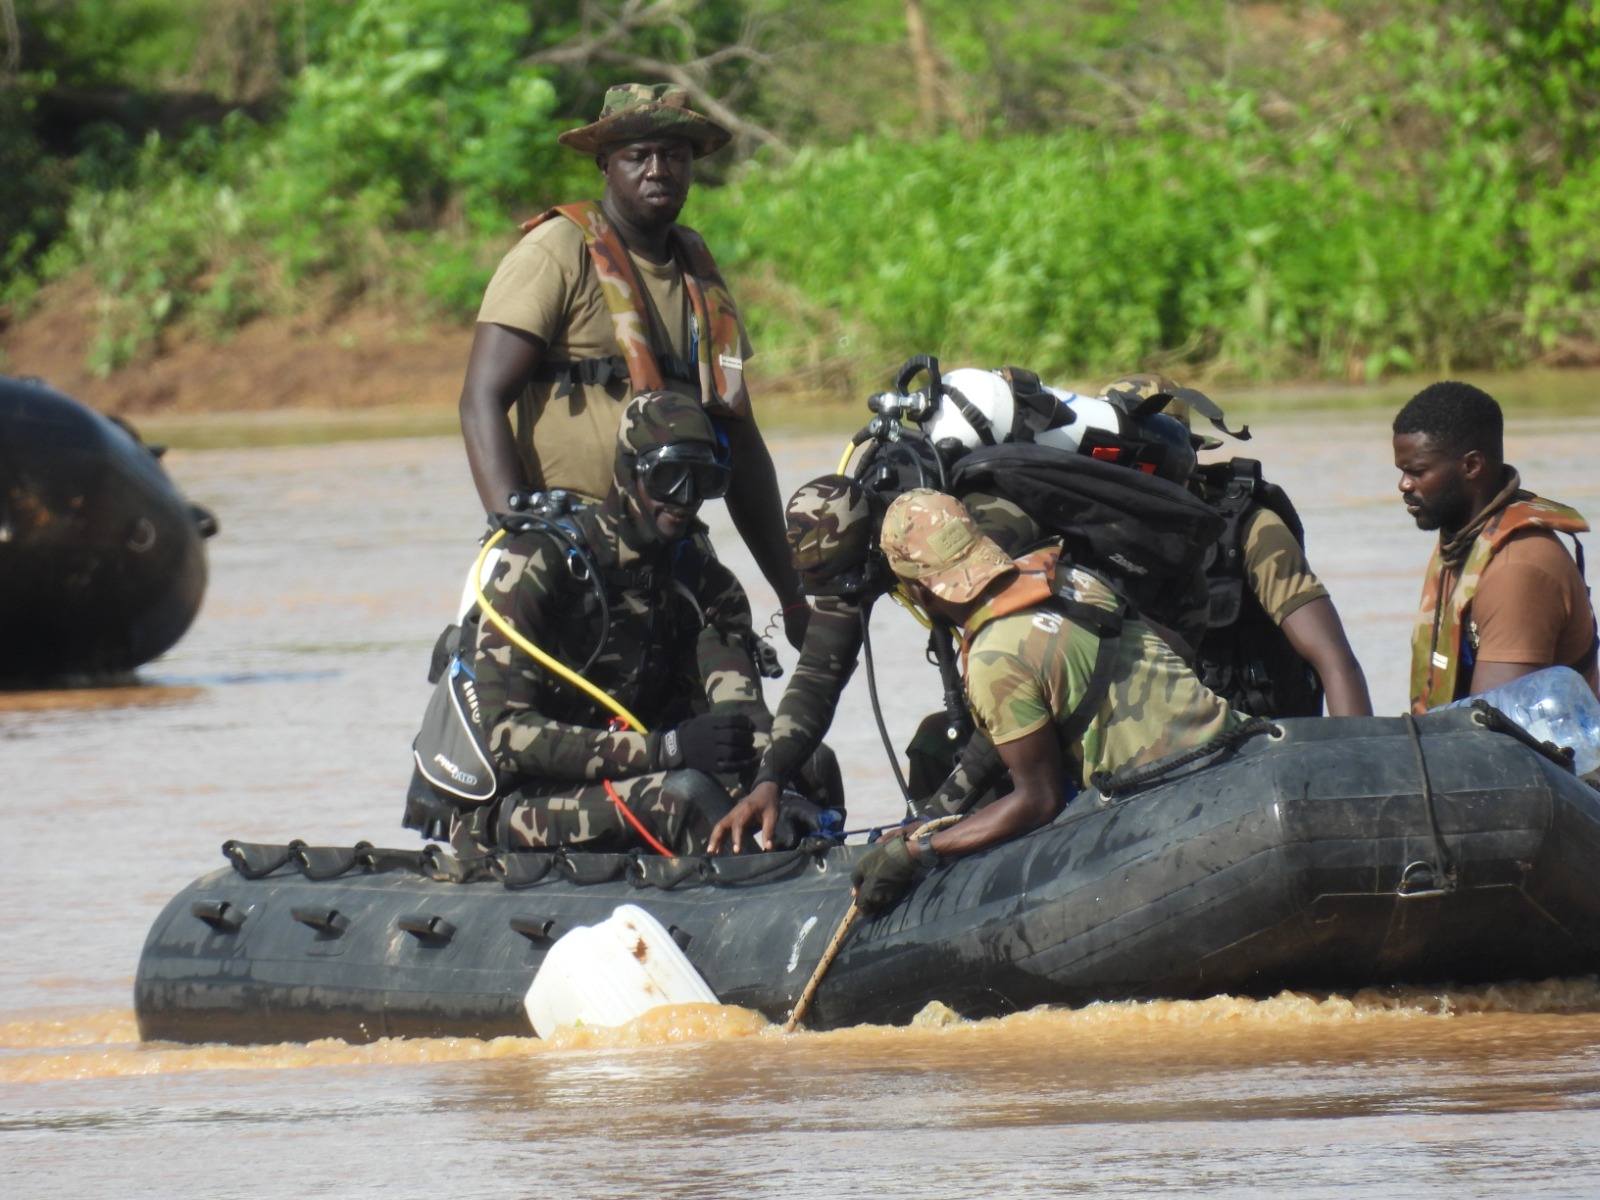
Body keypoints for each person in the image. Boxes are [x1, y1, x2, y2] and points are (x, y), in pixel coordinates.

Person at [457, 82, 807, 648]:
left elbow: (740, 444)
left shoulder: (700, 279)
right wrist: (516, 532)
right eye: (637, 155)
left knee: (728, 720)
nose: (657, 169)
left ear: (692, 166)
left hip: (669, 549)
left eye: (673, 155)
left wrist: (791, 594)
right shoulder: (556, 252)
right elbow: (479, 399)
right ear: (605, 165)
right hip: (563, 545)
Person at [847, 490, 1244, 914]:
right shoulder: (1070, 578)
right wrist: (925, 823)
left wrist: (923, 850)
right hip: (1236, 756)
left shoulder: (992, 659)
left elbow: (1039, 800)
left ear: (919, 591)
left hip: (1173, 803)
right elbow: (1179, 649)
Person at [462, 391, 811, 857]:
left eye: (702, 480)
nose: (685, 500)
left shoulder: (706, 585)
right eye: (669, 477)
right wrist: (665, 749)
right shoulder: (535, 567)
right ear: (628, 474)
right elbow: (508, 736)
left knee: (807, 766)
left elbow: (741, 716)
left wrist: (775, 784)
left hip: (650, 766)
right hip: (524, 799)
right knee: (681, 797)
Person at [1104, 373, 1371, 718]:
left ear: (1185, 453)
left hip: (1252, 747)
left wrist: (1357, 760)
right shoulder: (1087, 529)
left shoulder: (1248, 529)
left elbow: (1335, 661)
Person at [1393, 380, 1597, 711]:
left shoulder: (1517, 567)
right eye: (1402, 471)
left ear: (1471, 466)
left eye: (1417, 471)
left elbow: (1492, 730)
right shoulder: (1463, 541)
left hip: (1539, 760)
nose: (1403, 484)